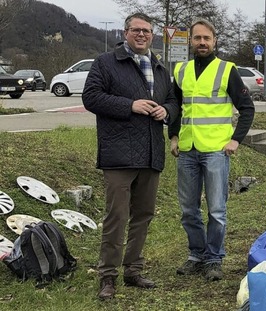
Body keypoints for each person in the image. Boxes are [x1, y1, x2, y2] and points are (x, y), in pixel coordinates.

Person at [82, 12, 180, 300]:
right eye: (136, 30)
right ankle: (108, 277)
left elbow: (173, 100)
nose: (142, 35)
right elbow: (91, 97)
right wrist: (130, 105)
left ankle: (133, 270)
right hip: (119, 155)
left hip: (151, 154)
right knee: (117, 217)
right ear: (125, 33)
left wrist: (168, 111)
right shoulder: (106, 63)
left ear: (153, 35)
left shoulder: (160, 67)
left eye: (147, 31)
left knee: (144, 215)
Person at [168, 18, 255, 282]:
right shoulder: (181, 71)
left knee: (217, 209)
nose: (202, 43)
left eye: (207, 38)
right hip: (187, 149)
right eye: (197, 38)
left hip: (216, 150)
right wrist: (172, 137)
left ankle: (214, 258)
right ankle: (196, 254)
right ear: (191, 41)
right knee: (188, 209)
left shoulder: (226, 69)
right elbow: (175, 106)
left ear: (214, 41)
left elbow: (247, 108)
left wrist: (235, 140)